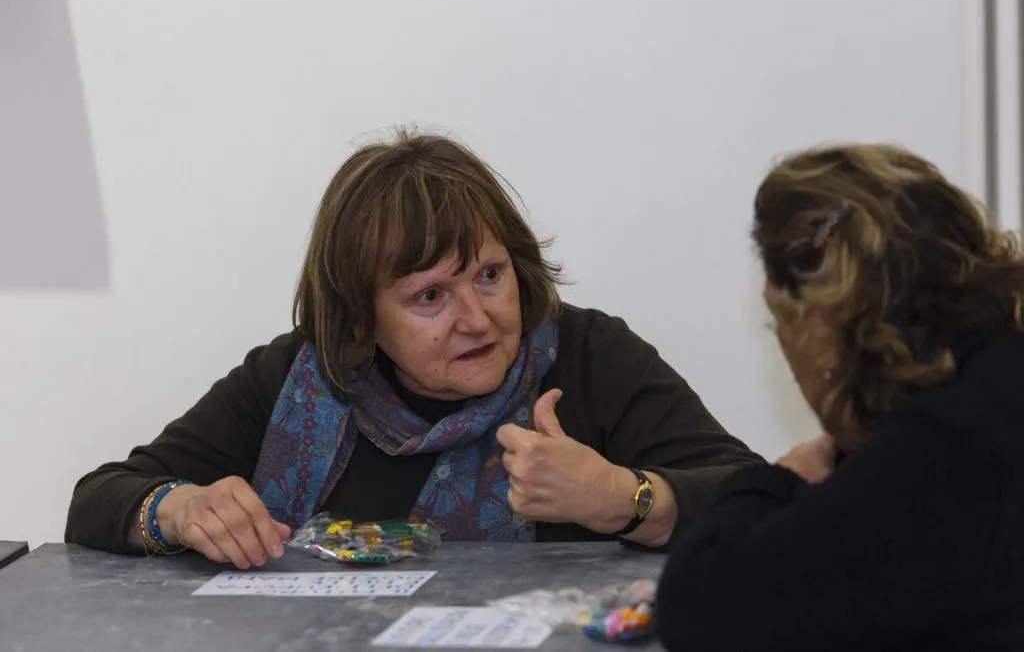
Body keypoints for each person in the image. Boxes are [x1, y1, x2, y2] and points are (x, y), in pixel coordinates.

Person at [65, 130, 760, 569]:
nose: (476, 317)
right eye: (430, 296)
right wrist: (178, 509)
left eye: (489, 275)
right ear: (362, 318)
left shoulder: (585, 356)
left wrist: (624, 496)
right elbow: (99, 499)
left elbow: (755, 498)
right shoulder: (301, 380)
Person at [656, 143, 1024, 652]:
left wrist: (783, 479)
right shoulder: (992, 382)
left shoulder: (943, 446)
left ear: (819, 325)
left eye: (777, 321)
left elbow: (702, 609)